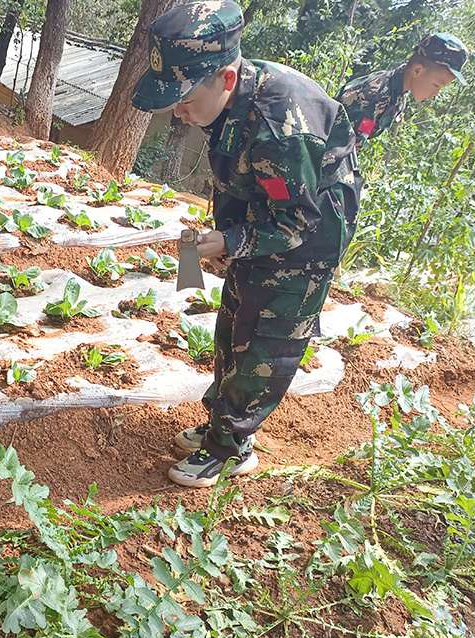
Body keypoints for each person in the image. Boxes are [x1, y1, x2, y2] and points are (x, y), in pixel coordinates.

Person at [130, 0, 361, 488]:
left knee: (264, 342)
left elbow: (297, 219)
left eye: (187, 100)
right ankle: (223, 423)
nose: (181, 113)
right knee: (234, 319)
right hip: (264, 225)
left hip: (307, 239)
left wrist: (231, 239)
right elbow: (242, 179)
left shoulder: (281, 130)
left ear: (226, 78)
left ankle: (230, 447)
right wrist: (226, 238)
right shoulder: (224, 103)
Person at [336, 33, 469, 147]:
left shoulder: (399, 93)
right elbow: (344, 152)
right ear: (417, 71)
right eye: (436, 85)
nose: (435, 94)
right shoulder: (375, 96)